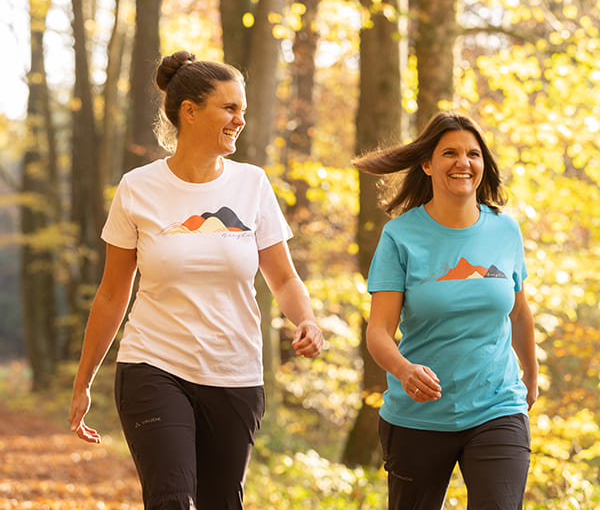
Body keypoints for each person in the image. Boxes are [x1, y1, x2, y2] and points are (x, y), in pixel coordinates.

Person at [68, 50, 324, 510]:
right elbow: (112, 293)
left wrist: (306, 320)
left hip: (235, 372)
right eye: (230, 108)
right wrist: (84, 380)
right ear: (189, 111)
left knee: (220, 502)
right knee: (171, 500)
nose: (240, 120)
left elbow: (283, 278)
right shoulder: (137, 188)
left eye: (242, 110)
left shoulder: (253, 185)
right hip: (153, 365)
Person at [353, 111, 538, 510]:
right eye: (449, 152)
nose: (463, 162)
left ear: (483, 164)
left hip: (497, 406)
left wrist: (531, 378)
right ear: (427, 163)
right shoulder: (400, 235)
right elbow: (380, 331)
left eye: (473, 154)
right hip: (418, 415)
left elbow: (519, 313)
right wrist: (403, 370)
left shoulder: (505, 230)